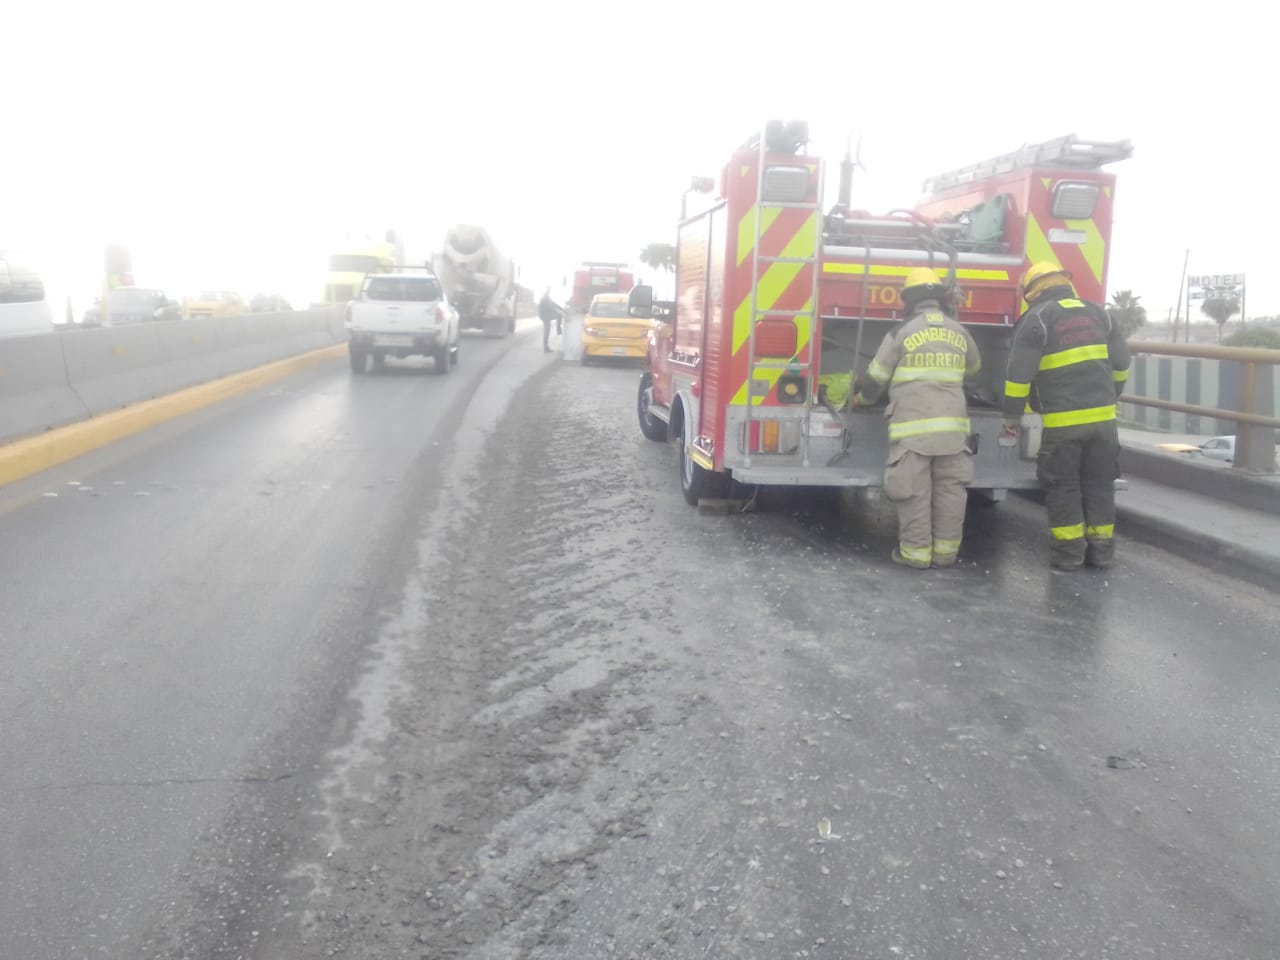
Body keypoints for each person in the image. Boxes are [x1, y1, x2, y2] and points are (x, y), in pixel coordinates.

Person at [1001, 261, 1131, 570]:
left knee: (1063, 486)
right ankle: (1101, 552)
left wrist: (1011, 417)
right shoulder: (1101, 314)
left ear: (1033, 292)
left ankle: (1069, 555)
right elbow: (1122, 362)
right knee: (1100, 484)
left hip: (1063, 426)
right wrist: (1112, 394)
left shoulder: (1037, 320)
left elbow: (1018, 376)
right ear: (1065, 283)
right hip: (1104, 424)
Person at [851, 268, 982, 569]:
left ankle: (915, 554)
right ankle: (946, 554)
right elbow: (975, 369)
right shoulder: (959, 331)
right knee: (951, 493)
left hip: (913, 434)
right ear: (941, 299)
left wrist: (861, 401)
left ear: (908, 300)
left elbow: (875, 380)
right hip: (953, 433)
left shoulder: (901, 332)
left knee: (913, 491)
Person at [538, 288, 563, 353]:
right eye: (548, 290)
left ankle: (558, 330)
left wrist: (562, 309)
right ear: (546, 290)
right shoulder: (544, 297)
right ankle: (545, 348)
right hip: (545, 316)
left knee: (559, 315)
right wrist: (557, 312)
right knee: (547, 331)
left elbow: (554, 304)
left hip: (547, 315)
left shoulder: (548, 297)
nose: (549, 291)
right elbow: (550, 307)